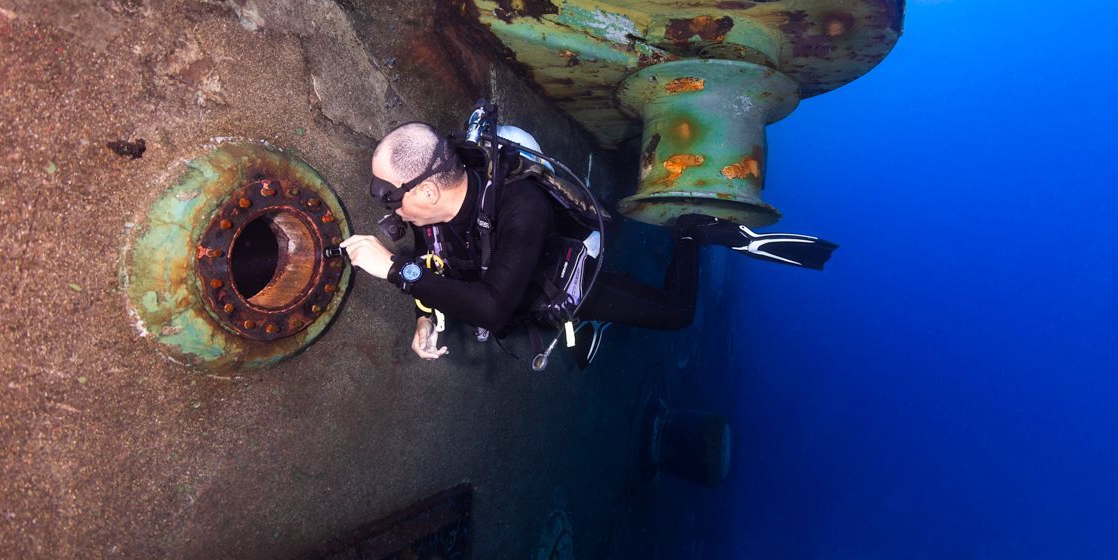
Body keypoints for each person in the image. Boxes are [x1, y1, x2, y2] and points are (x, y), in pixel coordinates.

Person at [340, 122, 836, 362]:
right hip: (513, 291)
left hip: (572, 285)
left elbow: (491, 309)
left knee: (679, 315)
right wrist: (427, 316)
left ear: (427, 188)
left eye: (386, 194)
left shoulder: (522, 208)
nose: (385, 205)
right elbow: (439, 264)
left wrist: (395, 271)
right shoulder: (429, 209)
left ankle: (690, 236)